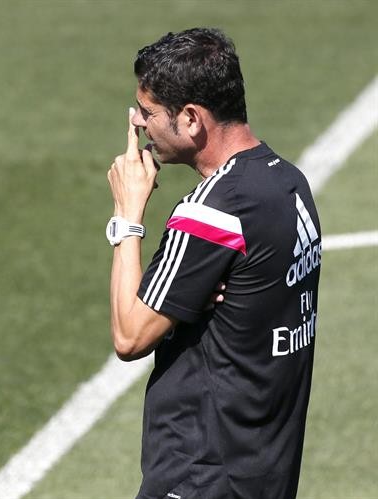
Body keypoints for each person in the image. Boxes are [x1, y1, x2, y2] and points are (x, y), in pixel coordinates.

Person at [106, 28, 321, 498]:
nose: (140, 125)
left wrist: (127, 217)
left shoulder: (211, 213)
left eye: (148, 113)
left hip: (200, 473)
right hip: (266, 468)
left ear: (190, 119)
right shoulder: (290, 184)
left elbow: (129, 334)